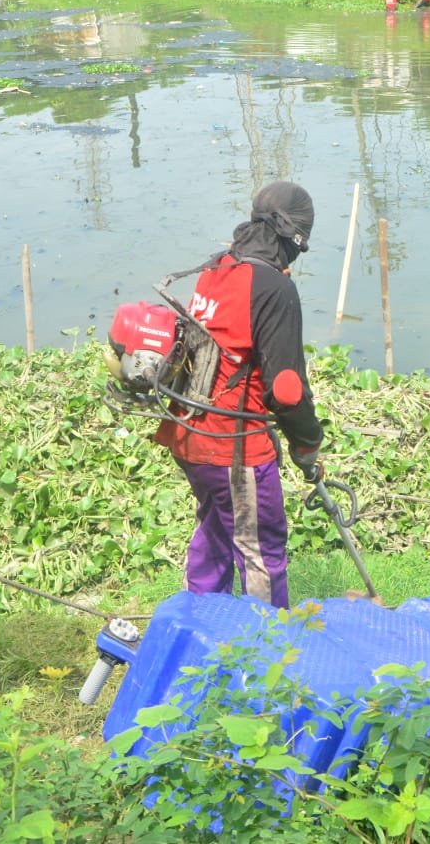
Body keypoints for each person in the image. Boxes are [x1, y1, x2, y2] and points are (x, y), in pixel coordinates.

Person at [154, 181, 324, 610]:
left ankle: (203, 628)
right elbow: (286, 388)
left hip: (188, 434)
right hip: (233, 447)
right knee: (260, 550)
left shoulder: (218, 267)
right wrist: (307, 443)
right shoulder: (273, 287)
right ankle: (265, 659)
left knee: (215, 531)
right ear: (296, 238)